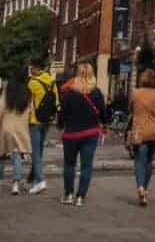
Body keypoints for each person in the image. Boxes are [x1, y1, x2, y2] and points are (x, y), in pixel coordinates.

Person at [59, 62, 105, 206]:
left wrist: (61, 125)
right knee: (86, 166)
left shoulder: (69, 93)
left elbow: (62, 114)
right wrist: (104, 123)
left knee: (69, 164)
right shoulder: (97, 93)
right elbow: (104, 113)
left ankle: (69, 194)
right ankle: (80, 197)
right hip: (90, 133)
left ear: (77, 74)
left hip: (71, 134)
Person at [128, 68, 155, 206]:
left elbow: (130, 108)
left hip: (138, 131)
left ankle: (140, 187)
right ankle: (145, 190)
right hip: (154, 132)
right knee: (149, 161)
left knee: (139, 160)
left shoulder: (135, 93)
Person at [27, 57, 60, 195]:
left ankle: (40, 181)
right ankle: (32, 178)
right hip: (47, 120)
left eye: (31, 68)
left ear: (35, 68)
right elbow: (57, 100)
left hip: (35, 120)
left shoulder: (32, 83)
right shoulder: (52, 81)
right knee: (39, 151)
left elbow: (27, 102)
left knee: (35, 152)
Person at [0, 74, 31, 195]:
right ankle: (16, 184)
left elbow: (0, 108)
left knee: (2, 154)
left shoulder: (7, 93)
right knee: (17, 156)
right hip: (21, 129)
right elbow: (30, 110)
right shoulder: (27, 94)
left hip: (6, 127)